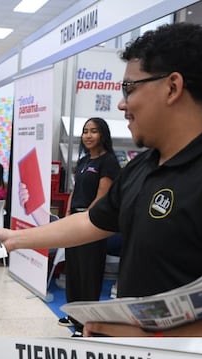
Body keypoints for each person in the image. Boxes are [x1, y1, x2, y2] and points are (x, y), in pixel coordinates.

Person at [0, 22, 202, 336]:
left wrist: (155, 340)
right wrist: (17, 239)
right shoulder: (144, 166)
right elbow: (93, 221)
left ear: (172, 87)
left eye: (129, 88)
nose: (121, 103)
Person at [59, 117, 122, 333]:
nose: (88, 135)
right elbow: (75, 191)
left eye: (93, 131)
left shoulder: (109, 162)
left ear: (103, 134)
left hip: (92, 223)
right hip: (74, 222)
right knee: (74, 270)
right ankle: (74, 315)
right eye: (85, 131)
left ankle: (88, 322)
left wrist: (84, 219)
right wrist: (68, 215)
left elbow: (102, 196)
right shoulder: (84, 161)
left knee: (89, 273)